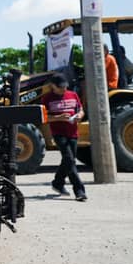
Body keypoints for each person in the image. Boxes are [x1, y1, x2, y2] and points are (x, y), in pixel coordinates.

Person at [43, 73, 87, 202]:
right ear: (53, 86)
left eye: (65, 86)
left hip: (73, 132)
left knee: (69, 160)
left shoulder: (73, 95)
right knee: (70, 160)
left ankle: (58, 182)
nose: (63, 89)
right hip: (58, 133)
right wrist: (59, 117)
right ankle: (79, 190)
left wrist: (79, 115)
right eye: (60, 87)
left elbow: (81, 110)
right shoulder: (47, 99)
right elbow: (44, 118)